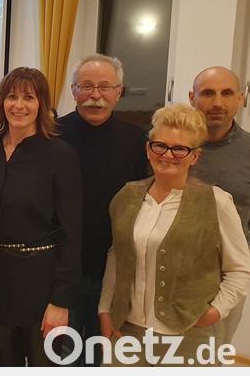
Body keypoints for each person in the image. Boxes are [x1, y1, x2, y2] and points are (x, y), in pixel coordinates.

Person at [98, 104, 250, 366]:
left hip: (189, 335)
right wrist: (105, 309)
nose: (168, 155)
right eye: (160, 146)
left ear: (195, 156)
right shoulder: (126, 196)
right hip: (128, 331)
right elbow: (117, 256)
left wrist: (215, 312)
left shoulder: (216, 202)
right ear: (148, 150)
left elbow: (239, 269)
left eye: (180, 148)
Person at [0, 67, 82, 366]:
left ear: (43, 105)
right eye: (11, 96)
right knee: (5, 363)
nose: (19, 105)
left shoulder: (60, 154)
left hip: (41, 281)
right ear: (1, 103)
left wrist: (60, 301)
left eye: (29, 97)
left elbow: (71, 232)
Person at [57, 54, 148, 365]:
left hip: (113, 271)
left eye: (105, 87)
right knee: (61, 355)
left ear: (119, 92)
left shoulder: (139, 140)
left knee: (100, 354)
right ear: (73, 91)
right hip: (61, 271)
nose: (95, 95)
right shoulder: (51, 134)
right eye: (87, 86)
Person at [189, 66, 250, 345]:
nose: (217, 103)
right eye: (208, 93)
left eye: (226, 93)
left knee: (211, 357)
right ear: (192, 98)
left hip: (224, 280)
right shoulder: (171, 146)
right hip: (165, 273)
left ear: (241, 98)